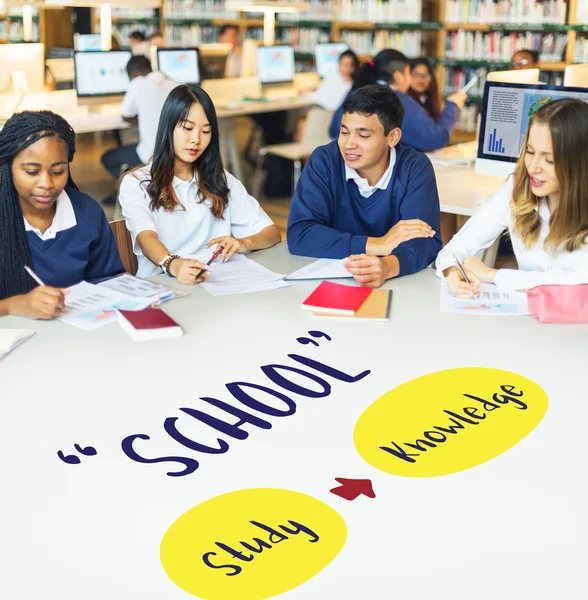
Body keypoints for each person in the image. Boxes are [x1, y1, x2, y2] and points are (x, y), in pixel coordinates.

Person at [119, 85, 281, 281]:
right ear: (168, 127)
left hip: (217, 284)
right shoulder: (137, 183)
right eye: (187, 128)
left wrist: (243, 243)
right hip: (163, 287)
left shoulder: (220, 179)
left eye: (205, 131)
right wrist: (174, 265)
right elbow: (146, 238)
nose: (196, 139)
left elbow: (271, 233)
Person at [287, 85, 442, 288]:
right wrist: (379, 244)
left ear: (392, 137)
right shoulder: (324, 160)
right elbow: (300, 234)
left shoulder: (414, 167)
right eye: (344, 132)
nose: (349, 144)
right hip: (331, 281)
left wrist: (387, 266)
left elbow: (426, 241)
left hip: (400, 284)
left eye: (363, 135)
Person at [437, 99, 588, 297]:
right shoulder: (516, 190)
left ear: (579, 164)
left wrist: (492, 275)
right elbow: (456, 248)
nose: (533, 167)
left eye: (549, 159)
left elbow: (575, 283)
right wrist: (453, 271)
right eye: (530, 152)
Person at [0, 111, 124, 318]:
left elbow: (110, 281)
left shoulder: (87, 213)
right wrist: (16, 305)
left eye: (58, 171)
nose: (46, 184)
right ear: (7, 167)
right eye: (31, 172)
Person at [329, 49, 466, 152]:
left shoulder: (356, 92)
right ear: (398, 76)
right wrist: (452, 105)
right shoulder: (396, 100)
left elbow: (333, 130)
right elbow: (436, 139)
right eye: (408, 74)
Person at [101, 56, 179, 183]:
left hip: (151, 155)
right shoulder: (177, 85)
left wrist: (142, 121)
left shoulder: (138, 83)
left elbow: (126, 114)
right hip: (177, 155)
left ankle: (136, 187)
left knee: (107, 158)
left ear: (133, 74)